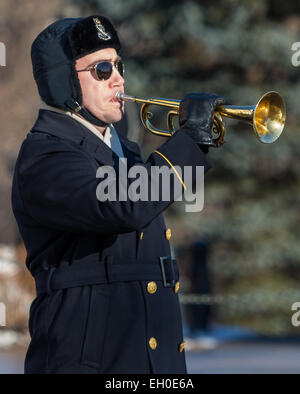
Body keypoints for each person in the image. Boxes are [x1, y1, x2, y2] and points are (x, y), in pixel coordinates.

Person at [11, 15, 225, 374]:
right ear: (65, 80)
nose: (119, 78)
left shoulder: (123, 152)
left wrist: (196, 146)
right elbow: (125, 205)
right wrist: (190, 141)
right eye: (102, 69)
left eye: (119, 65)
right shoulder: (46, 156)